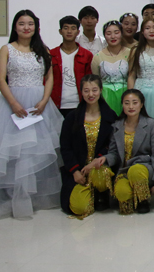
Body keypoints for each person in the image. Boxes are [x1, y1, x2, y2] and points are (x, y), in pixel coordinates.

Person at [0, 10, 63, 221]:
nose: (26, 27)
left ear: (36, 27)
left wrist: (45, 100)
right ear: (15, 26)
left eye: (30, 23)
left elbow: (50, 78)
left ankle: (31, 197)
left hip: (39, 106)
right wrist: (13, 103)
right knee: (16, 152)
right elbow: (1, 79)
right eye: (21, 23)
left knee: (35, 151)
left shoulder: (43, 50)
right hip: (13, 105)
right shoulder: (6, 49)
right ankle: (15, 198)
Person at [59, 74, 117, 218]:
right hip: (79, 171)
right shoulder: (72, 118)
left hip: (99, 167)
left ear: (101, 90)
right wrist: (75, 171)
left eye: (94, 90)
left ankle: (101, 194)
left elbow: (111, 145)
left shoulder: (110, 116)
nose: (91, 94)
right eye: (86, 91)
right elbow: (65, 147)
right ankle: (88, 193)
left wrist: (95, 162)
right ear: (81, 92)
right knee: (79, 208)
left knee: (102, 173)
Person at [99, 89, 154, 214]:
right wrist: (106, 158)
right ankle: (132, 195)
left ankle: (143, 200)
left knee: (135, 170)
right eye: (127, 103)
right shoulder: (117, 126)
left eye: (135, 102)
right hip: (124, 170)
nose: (131, 106)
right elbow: (114, 153)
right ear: (122, 105)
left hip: (143, 169)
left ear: (141, 104)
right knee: (122, 194)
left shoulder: (150, 124)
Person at [127, 18, 154, 122]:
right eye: (147, 28)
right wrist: (130, 95)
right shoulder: (135, 50)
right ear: (142, 31)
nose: (151, 31)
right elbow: (131, 76)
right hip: (141, 91)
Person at [50, 15, 94, 118]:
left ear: (78, 32)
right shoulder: (51, 55)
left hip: (79, 104)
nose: (69, 31)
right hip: (55, 105)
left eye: (73, 28)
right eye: (66, 28)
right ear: (60, 31)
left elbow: (89, 81)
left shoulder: (87, 55)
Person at [92, 21, 132, 117]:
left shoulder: (130, 53)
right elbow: (96, 81)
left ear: (121, 34)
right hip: (105, 96)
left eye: (116, 33)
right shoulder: (97, 57)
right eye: (109, 33)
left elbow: (133, 76)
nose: (113, 36)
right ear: (104, 36)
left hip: (125, 94)